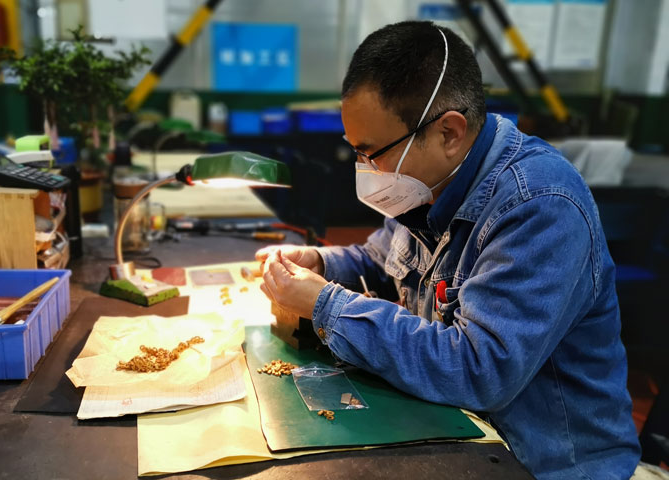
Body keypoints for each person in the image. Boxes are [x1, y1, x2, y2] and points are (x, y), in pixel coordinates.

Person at [257, 21, 640, 480]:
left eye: (372, 153)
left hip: (545, 465)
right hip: (460, 434)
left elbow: (480, 370)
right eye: (355, 151)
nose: (365, 169)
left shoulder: (539, 205)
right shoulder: (428, 184)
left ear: (449, 133)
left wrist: (327, 306)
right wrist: (321, 263)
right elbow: (382, 261)